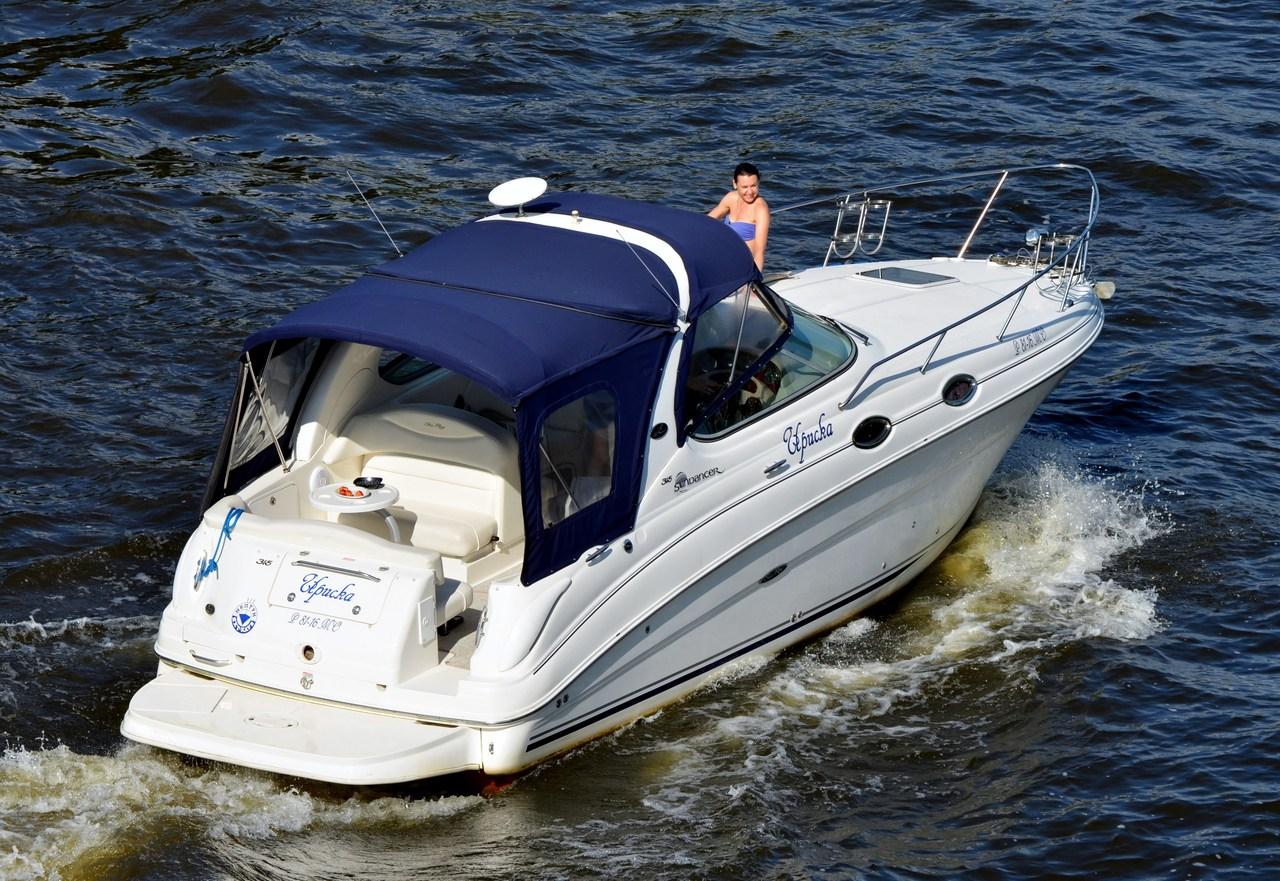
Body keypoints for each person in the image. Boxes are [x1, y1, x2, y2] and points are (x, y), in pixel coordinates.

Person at [708, 161, 770, 271]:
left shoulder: (760, 209)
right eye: (745, 187)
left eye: (753, 186)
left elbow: (759, 252)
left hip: (742, 268)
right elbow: (707, 221)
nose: (750, 192)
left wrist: (755, 279)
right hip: (722, 261)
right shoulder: (731, 198)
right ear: (735, 184)